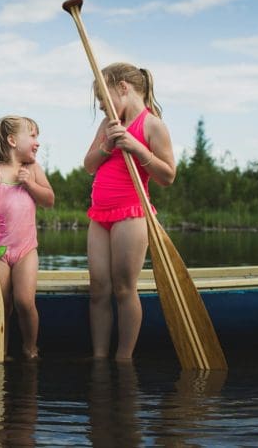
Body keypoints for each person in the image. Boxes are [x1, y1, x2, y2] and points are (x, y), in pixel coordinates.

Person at [82, 62, 176, 360]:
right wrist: (108, 144)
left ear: (123, 88)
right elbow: (89, 166)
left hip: (131, 214)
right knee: (98, 288)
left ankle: (124, 358)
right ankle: (99, 357)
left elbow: (168, 176)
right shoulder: (108, 124)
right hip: (100, 215)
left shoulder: (152, 125)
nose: (101, 107)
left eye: (103, 98)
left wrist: (136, 148)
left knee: (124, 288)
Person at [0, 115, 55, 359]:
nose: (37, 142)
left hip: (26, 250)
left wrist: (30, 184)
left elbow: (49, 200)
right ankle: (1, 350)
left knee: (23, 301)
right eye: (32, 136)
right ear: (12, 140)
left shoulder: (32, 169)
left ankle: (30, 348)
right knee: (2, 304)